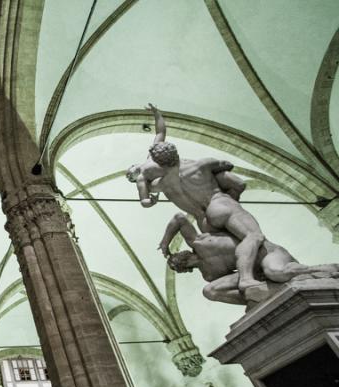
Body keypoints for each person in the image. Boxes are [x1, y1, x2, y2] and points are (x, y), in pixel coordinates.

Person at [128, 103, 266, 291]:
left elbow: (160, 131)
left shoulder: (159, 180)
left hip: (204, 220)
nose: (132, 173)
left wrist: (157, 114)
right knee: (252, 237)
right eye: (131, 176)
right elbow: (144, 199)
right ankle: (248, 277)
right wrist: (148, 201)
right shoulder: (154, 176)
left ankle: (253, 274)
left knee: (239, 243)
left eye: (130, 171)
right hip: (218, 203)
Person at [161, 212, 338, 305]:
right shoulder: (209, 275)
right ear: (185, 269)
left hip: (266, 253)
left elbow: (179, 218)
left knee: (277, 272)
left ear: (184, 253)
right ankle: (260, 298)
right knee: (210, 291)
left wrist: (165, 243)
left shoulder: (199, 242)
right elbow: (232, 281)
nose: (179, 262)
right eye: (179, 266)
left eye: (178, 259)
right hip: (255, 271)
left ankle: (324, 270)